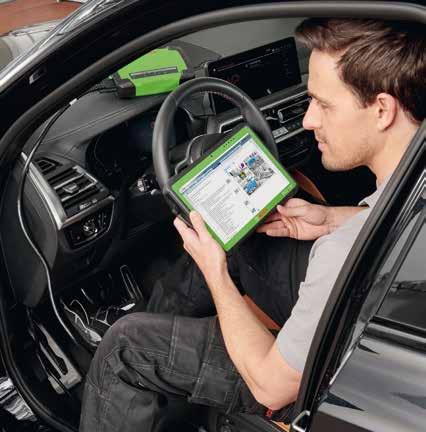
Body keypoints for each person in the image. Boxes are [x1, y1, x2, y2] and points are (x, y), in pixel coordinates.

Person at [79, 18, 424, 432]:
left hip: (321, 382)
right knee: (243, 233)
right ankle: (158, 338)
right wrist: (332, 218)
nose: (308, 120)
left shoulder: (341, 253)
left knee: (125, 345)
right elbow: (400, 222)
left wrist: (215, 272)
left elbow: (271, 387)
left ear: (382, 109)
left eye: (323, 104)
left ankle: (135, 365)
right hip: (388, 307)